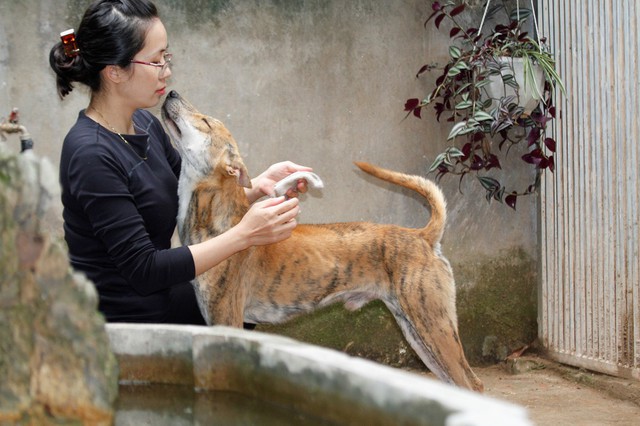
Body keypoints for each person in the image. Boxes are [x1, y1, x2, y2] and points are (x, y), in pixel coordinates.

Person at [49, 0, 311, 325]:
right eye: (156, 61)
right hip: (122, 321)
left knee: (249, 302)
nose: (167, 71)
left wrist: (257, 187)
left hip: (161, 294)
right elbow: (144, 270)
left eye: (166, 57)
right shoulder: (90, 155)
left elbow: (185, 201)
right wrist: (244, 234)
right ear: (115, 71)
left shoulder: (145, 124)